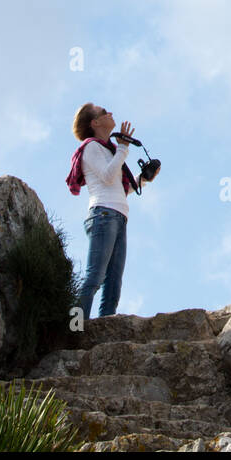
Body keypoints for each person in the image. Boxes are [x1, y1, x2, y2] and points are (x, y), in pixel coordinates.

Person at [69, 103, 136, 319]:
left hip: (116, 215)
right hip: (103, 215)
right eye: (104, 112)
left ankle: (105, 328)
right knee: (95, 277)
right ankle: (74, 327)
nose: (111, 113)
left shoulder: (108, 150)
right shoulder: (91, 147)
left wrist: (143, 179)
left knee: (114, 280)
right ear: (95, 123)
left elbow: (117, 189)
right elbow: (107, 177)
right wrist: (123, 147)